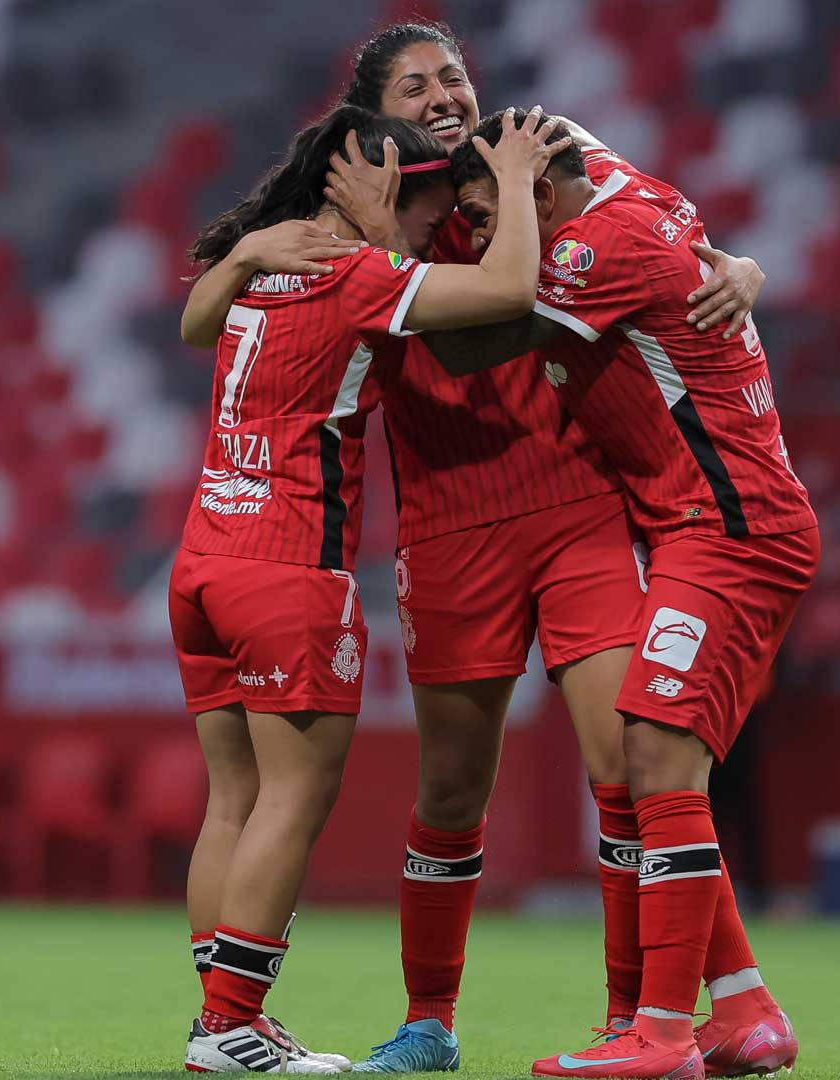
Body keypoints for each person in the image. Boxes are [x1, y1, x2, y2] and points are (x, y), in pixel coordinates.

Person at [182, 22, 772, 1074]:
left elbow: (661, 220)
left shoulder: (528, 156)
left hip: (582, 503)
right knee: (451, 790)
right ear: (374, 118)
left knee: (628, 764)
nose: (447, 94)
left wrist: (742, 264)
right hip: (448, 525)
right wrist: (256, 251)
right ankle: (430, 1024)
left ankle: (636, 1020)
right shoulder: (381, 218)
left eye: (454, 74)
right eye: (418, 84)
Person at [171, 103, 569, 1073]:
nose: (442, 214)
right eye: (427, 193)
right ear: (378, 186)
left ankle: (220, 1018)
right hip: (288, 564)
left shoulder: (268, 264)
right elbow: (512, 286)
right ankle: (230, 1027)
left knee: (233, 798)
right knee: (293, 801)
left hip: (203, 561)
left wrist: (241, 254)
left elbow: (192, 325)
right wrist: (514, 178)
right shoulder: (360, 277)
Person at [436, 113, 817, 1080]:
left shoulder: (592, 248)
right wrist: (742, 264)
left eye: (488, 215)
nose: (482, 237)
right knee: (654, 760)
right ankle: (743, 1010)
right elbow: (586, 150)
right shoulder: (599, 180)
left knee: (652, 752)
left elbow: (475, 337)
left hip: (729, 528)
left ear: (543, 193)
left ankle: (662, 1036)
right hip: (701, 523)